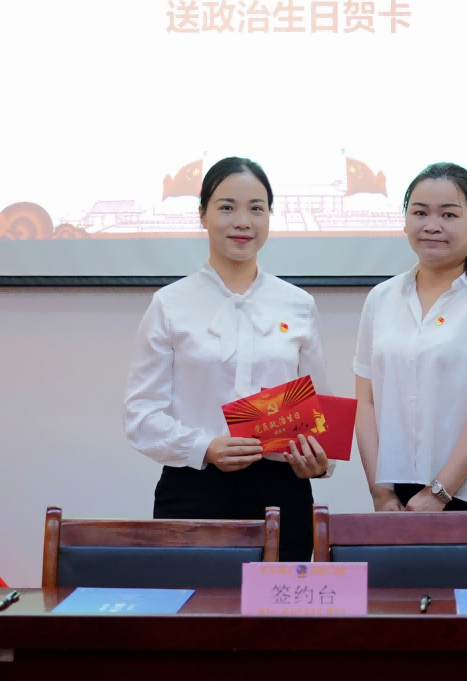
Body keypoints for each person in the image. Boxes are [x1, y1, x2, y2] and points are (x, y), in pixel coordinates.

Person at [124, 156, 332, 560]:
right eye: (226, 207)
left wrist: (318, 462)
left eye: (256, 208)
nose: (243, 221)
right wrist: (205, 447)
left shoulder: (298, 304)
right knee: (195, 600)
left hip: (282, 493)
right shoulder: (170, 304)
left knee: (279, 601)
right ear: (202, 215)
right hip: (194, 489)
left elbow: (318, 413)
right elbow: (141, 415)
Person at [354, 162, 467, 512]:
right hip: (395, 491)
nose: (432, 225)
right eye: (420, 213)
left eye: (448, 215)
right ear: (406, 221)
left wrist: (438, 493)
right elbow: (365, 401)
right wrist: (381, 493)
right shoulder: (381, 299)